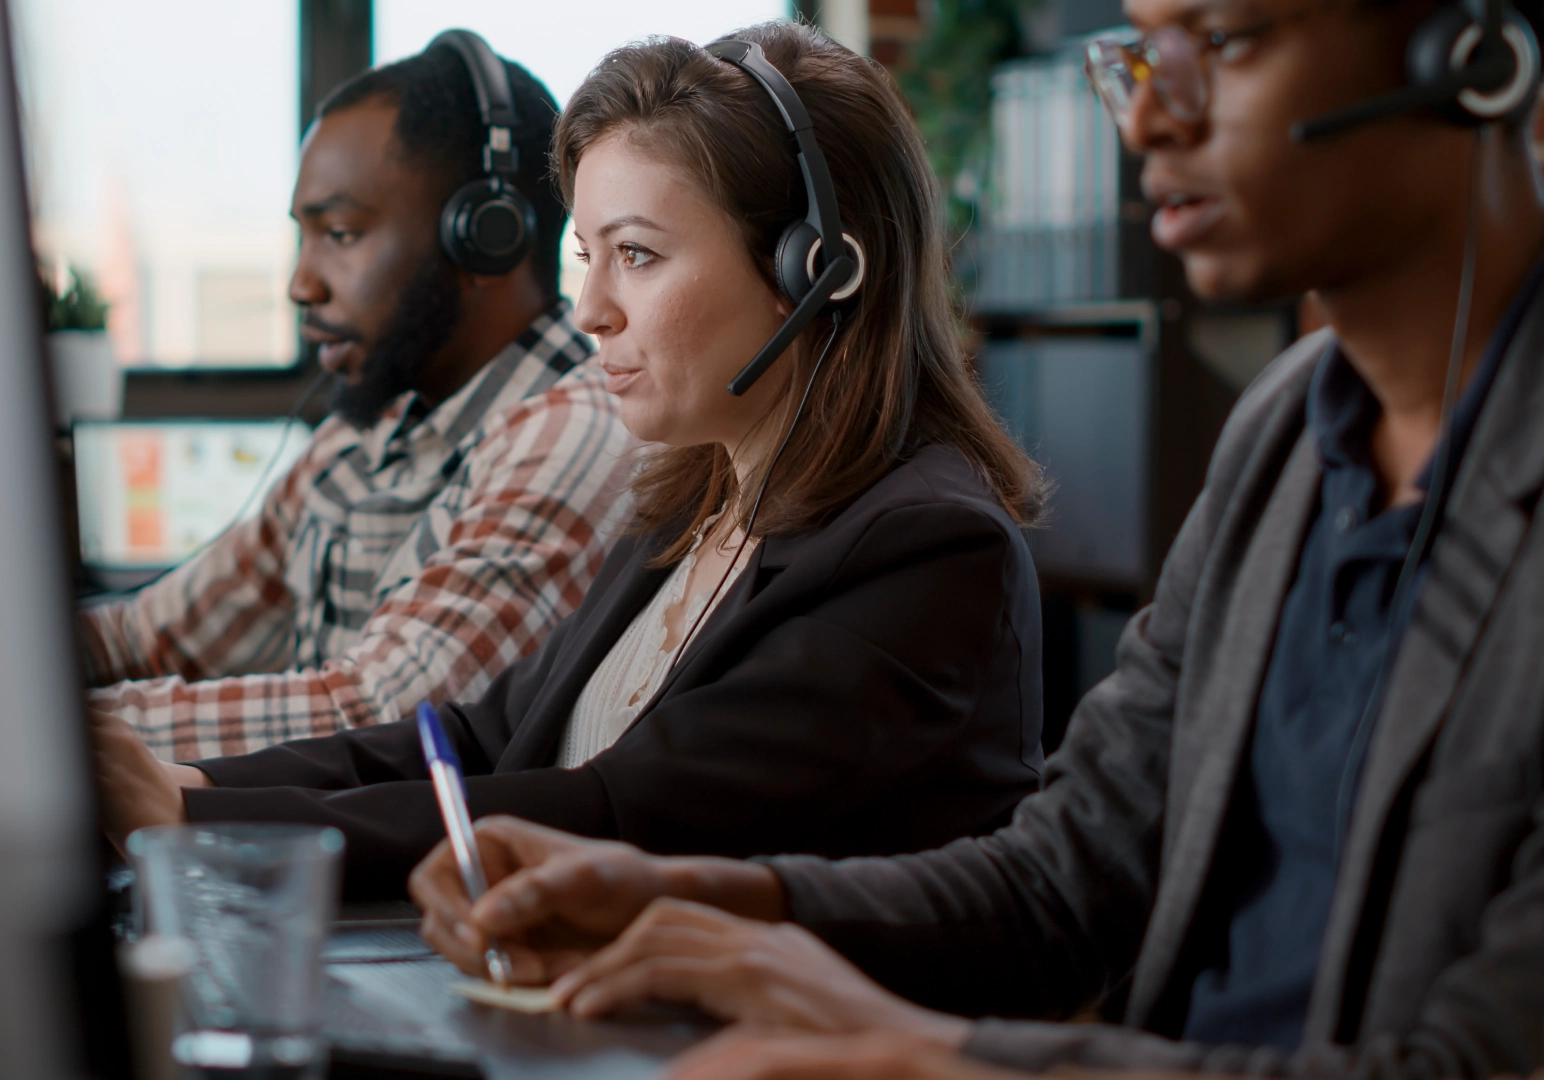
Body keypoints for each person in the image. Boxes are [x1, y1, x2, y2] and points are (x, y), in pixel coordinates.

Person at [408, 3, 1544, 1078]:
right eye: (1141, 54)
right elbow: (1064, 882)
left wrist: (943, 1059)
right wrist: (693, 901)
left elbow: (1472, 1063)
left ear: (1471, 51)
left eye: (1227, 41)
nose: (1145, 117)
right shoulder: (1284, 440)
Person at [90, 21, 1048, 900]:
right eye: (587, 255)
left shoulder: (925, 548)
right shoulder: (691, 507)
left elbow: (618, 812)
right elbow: (476, 738)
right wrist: (195, 780)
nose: (591, 309)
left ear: (817, 270)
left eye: (635, 255)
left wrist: (203, 822)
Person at [79, 35, 639, 762]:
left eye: (340, 233)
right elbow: (149, 636)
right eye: (304, 237)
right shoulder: (365, 433)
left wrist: (60, 733)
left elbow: (380, 715)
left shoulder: (573, 433)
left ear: (484, 239)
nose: (300, 285)